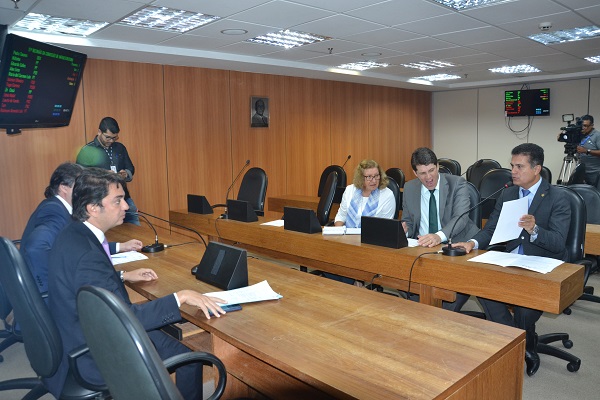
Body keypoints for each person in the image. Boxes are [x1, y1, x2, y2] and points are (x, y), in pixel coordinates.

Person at [46, 168, 226, 399]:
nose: (126, 206)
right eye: (117, 201)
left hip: (83, 330)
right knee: (189, 359)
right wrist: (180, 297)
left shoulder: (74, 233)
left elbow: (91, 284)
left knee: (176, 344)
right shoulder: (87, 256)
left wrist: (122, 276)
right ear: (93, 208)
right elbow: (124, 318)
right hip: (94, 351)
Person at [453, 143, 570, 377]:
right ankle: (515, 344)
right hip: (511, 261)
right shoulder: (508, 193)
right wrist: (472, 243)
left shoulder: (558, 197)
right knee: (481, 285)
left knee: (524, 309)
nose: (513, 171)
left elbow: (558, 242)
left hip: (543, 265)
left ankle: (517, 344)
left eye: (519, 166)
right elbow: (492, 228)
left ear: (536, 169)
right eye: (512, 165)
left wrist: (535, 230)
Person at [20, 162, 142, 297]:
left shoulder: (61, 208)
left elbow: (77, 247)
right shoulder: (54, 211)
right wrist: (47, 292)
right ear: (64, 187)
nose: (84, 189)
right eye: (79, 185)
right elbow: (35, 248)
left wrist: (119, 247)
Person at [401, 147, 479, 311]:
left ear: (437, 166)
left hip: (457, 247)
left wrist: (438, 236)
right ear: (415, 173)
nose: (428, 177)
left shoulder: (457, 183)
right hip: (423, 250)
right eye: (423, 173)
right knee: (405, 286)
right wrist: (404, 230)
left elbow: (461, 218)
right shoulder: (409, 188)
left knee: (446, 305)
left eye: (431, 170)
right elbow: (408, 221)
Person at [76, 116, 140, 225]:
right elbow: (81, 178)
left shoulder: (120, 148)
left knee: (135, 227)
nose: (111, 141)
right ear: (99, 132)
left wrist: (126, 174)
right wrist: (104, 176)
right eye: (108, 137)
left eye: (114, 138)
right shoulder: (87, 151)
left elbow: (131, 168)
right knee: (109, 232)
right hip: (100, 200)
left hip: (123, 198)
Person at [334, 159, 395, 227]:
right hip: (347, 233)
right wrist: (338, 231)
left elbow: (386, 226)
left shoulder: (387, 195)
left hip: (373, 233)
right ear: (361, 178)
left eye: (376, 176)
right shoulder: (350, 190)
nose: (374, 181)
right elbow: (341, 216)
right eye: (369, 177)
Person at [576, 114, 600, 188]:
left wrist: (586, 151)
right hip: (582, 172)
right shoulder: (580, 134)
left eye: (586, 126)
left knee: (596, 193)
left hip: (596, 173)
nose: (583, 128)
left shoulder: (597, 136)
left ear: (592, 125)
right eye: (582, 126)